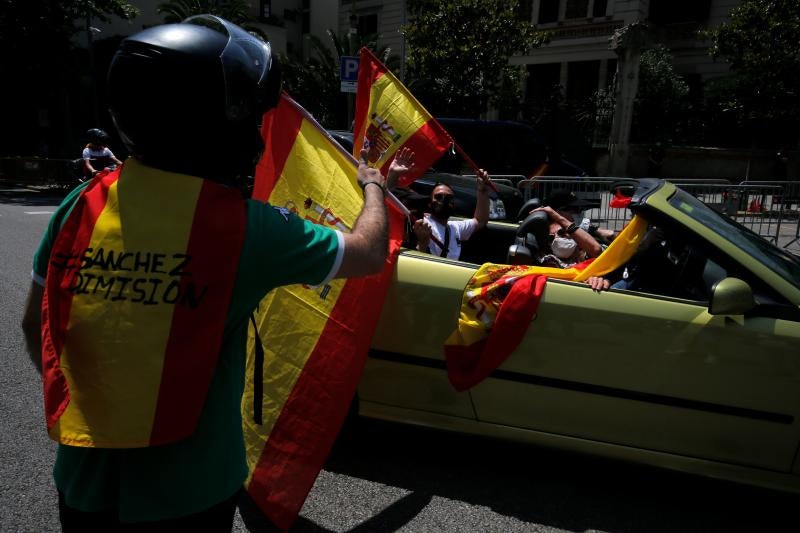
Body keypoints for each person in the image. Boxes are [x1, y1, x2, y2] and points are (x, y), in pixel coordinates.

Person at [20, 15, 401, 532]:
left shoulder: (78, 207)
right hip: (191, 492)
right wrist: (373, 186)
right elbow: (368, 251)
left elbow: (33, 326)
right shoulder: (244, 229)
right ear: (217, 126)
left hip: (83, 482)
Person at [412, 169, 492, 260]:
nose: (443, 200)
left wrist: (483, 190)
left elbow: (480, 220)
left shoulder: (455, 227)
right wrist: (422, 243)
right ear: (429, 203)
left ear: (454, 204)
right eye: (438, 196)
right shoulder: (421, 224)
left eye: (448, 197)